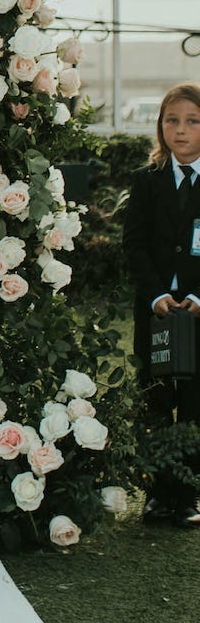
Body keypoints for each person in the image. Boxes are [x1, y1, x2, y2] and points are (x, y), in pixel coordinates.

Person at [124, 81, 200, 527]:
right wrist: (156, 297)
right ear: (160, 128)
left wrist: (194, 298)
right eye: (172, 120)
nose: (182, 130)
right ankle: (156, 494)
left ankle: (187, 494)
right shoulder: (146, 181)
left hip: (196, 314)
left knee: (193, 402)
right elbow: (133, 246)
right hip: (155, 315)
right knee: (155, 398)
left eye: (192, 121)